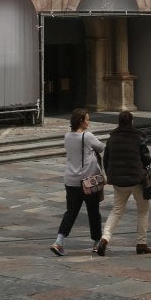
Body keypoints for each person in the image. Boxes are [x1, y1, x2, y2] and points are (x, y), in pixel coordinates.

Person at [95, 110, 151, 256]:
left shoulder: (112, 137)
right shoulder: (138, 136)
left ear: (119, 122)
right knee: (142, 211)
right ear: (132, 121)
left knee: (116, 211)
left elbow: (106, 158)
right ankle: (141, 243)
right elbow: (146, 159)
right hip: (136, 179)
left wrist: (110, 174)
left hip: (118, 181)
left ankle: (105, 238)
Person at [51, 108, 104, 256]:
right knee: (93, 212)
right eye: (87, 119)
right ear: (81, 121)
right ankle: (96, 242)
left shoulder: (67, 136)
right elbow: (101, 147)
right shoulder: (87, 136)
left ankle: (59, 241)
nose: (89, 122)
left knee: (71, 212)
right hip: (88, 181)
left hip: (70, 180)